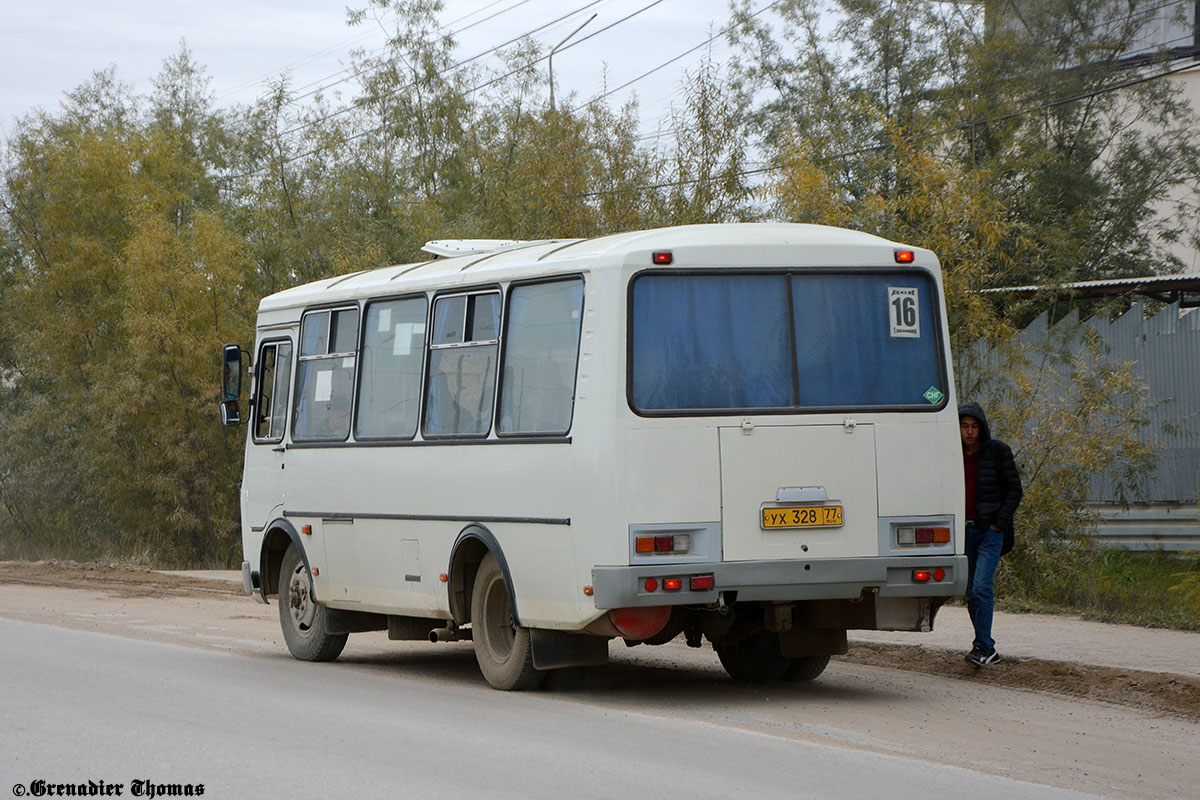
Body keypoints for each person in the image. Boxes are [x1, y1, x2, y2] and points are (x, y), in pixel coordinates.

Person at [959, 401, 1023, 666]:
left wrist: (998, 523)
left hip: (989, 532)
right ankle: (982, 646)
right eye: (964, 426)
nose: (969, 432)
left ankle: (985, 647)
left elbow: (1014, 491)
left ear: (982, 427)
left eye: (974, 426)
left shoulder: (998, 451)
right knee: (970, 592)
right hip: (963, 533)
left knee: (982, 587)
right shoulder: (951, 453)